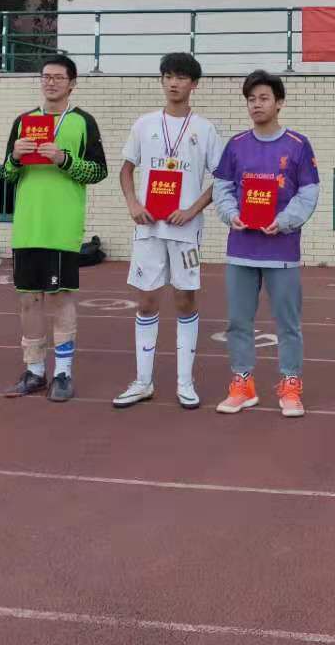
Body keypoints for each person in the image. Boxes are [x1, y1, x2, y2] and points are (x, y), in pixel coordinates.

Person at [113, 52, 223, 410]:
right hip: (149, 229)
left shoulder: (205, 129)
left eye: (181, 77)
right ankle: (143, 381)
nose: (174, 83)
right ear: (161, 80)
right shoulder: (144, 124)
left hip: (185, 231)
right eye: (168, 76)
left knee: (185, 299)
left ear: (194, 84)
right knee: (146, 300)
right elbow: (126, 170)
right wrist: (133, 204)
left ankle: (185, 383)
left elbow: (222, 179)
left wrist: (191, 210)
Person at [211, 71, 320, 418]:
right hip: (241, 250)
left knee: (288, 323)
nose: (256, 105)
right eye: (251, 99)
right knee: (238, 321)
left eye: (263, 98)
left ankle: (290, 384)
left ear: (279, 103)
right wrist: (231, 215)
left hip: (282, 251)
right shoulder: (236, 145)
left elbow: (309, 193)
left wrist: (284, 221)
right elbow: (222, 187)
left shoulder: (298, 145)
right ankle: (242, 384)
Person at [0, 55, 108, 404]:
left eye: (59, 77)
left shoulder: (82, 121)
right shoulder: (23, 121)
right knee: (28, 299)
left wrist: (64, 159)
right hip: (27, 226)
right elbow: (7, 175)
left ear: (72, 83)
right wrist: (15, 158)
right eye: (46, 76)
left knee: (60, 297)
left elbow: (98, 171)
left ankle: (63, 373)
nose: (51, 82)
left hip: (62, 226)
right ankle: (34, 370)